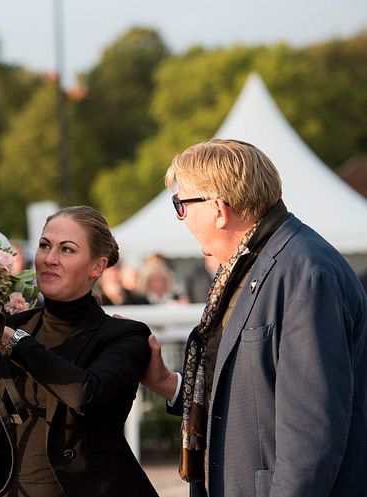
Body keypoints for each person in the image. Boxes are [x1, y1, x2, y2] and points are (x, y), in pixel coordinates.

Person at [140, 139, 367, 497]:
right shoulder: (250, 265)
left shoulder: (305, 271)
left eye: (181, 205)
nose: (180, 216)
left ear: (218, 209)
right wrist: (170, 384)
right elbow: (250, 397)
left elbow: (312, 432)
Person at [0, 206, 159, 497]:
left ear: (98, 267)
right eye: (44, 246)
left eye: (67, 250)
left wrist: (15, 341)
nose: (50, 259)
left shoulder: (125, 335)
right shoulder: (9, 328)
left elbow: (85, 394)